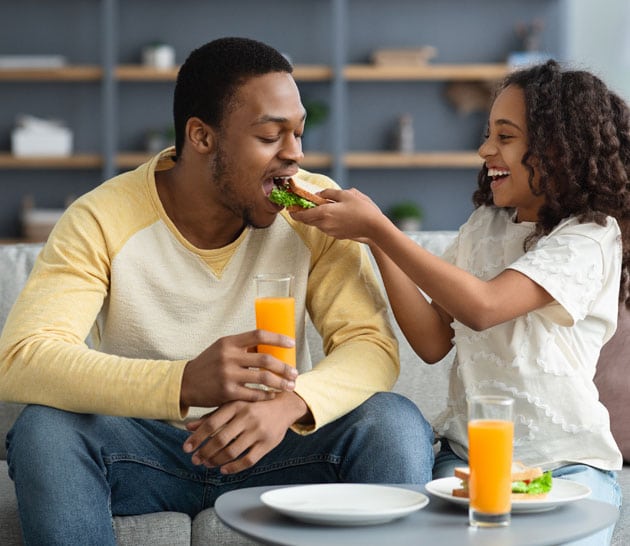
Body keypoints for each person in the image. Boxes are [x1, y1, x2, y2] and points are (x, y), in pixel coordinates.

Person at [0, 37, 434, 545]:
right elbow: (22, 358)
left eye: (297, 133)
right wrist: (182, 382)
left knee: (393, 421)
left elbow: (371, 345)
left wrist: (289, 405)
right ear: (202, 137)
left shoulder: (315, 210)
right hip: (148, 452)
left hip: (278, 447)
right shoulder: (101, 218)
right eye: (272, 136)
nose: (293, 155)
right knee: (45, 432)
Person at [293, 60, 629, 544]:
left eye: (506, 137)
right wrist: (375, 241)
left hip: (566, 463)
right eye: (488, 133)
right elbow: (432, 340)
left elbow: (485, 306)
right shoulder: (484, 226)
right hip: (466, 459)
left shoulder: (589, 236)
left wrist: (380, 227)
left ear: (558, 149)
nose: (485, 149)